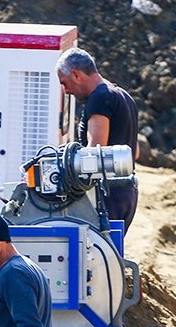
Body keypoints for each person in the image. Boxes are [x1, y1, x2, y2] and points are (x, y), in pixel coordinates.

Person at [56, 47, 140, 229]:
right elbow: (136, 153)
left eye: (64, 83)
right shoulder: (124, 96)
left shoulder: (99, 98)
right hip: (127, 193)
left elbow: (94, 154)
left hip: (107, 196)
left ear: (76, 74)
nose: (66, 90)